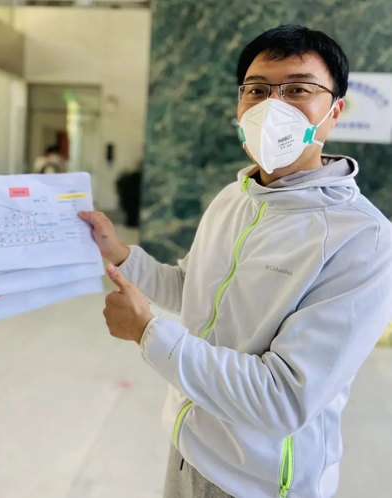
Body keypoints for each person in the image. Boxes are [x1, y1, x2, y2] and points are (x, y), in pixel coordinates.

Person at [78, 25, 392, 498]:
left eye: (298, 90)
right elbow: (192, 286)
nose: (273, 107)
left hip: (259, 482)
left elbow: (283, 399)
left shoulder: (362, 238)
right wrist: (120, 253)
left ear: (334, 112)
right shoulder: (235, 197)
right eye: (257, 91)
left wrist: (147, 332)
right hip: (188, 445)